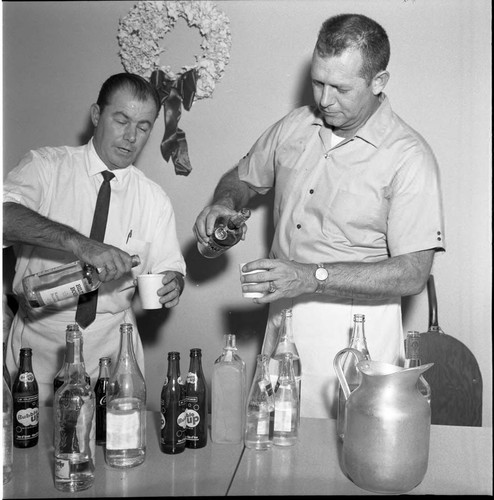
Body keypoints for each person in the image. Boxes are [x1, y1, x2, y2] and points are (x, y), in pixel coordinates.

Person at [193, 14, 445, 418]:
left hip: (357, 328)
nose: (325, 99)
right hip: (283, 314)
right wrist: (224, 202)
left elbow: (414, 273)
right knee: (274, 441)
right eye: (318, 81)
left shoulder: (409, 157)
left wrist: (310, 276)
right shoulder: (295, 124)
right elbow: (242, 179)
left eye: (341, 88)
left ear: (378, 82)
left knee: (350, 460)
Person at [3, 72, 186, 406]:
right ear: (97, 115)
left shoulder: (153, 198)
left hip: (113, 355)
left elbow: (169, 268)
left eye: (143, 127)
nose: (131, 136)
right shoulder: (46, 167)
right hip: (39, 350)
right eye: (121, 120)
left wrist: (174, 282)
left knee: (114, 450)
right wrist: (80, 244)